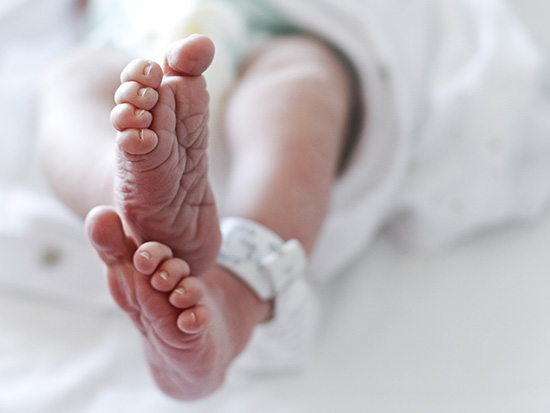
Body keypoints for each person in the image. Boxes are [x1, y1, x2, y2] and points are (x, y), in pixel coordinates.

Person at [35, 0, 550, 402]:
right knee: (71, 82)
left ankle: (234, 286)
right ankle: (129, 188)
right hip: (141, 62)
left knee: (299, 83)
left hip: (286, 31)